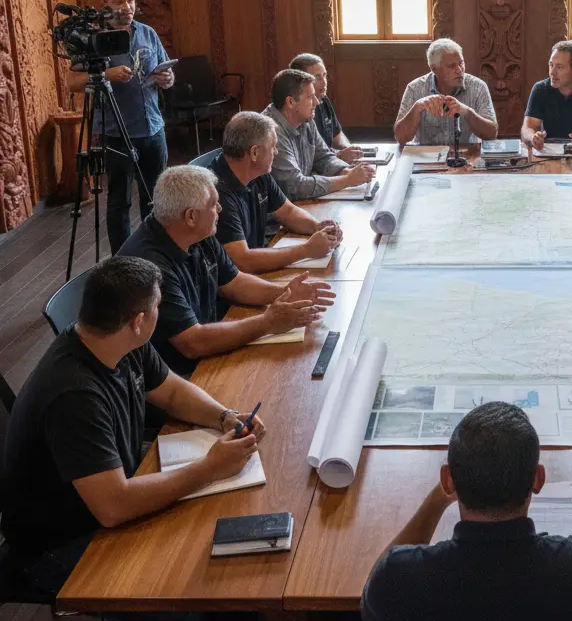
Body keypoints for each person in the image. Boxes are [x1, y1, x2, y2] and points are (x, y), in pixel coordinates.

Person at [1, 256, 267, 599]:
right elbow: (114, 506)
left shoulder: (116, 340)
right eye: (158, 305)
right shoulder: (74, 395)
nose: (162, 309)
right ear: (138, 320)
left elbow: (170, 391)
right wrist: (209, 468)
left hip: (107, 496)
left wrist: (225, 416)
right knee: (203, 587)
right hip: (61, 543)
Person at [361, 401, 572, 621]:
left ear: (448, 480)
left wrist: (434, 503)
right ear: (538, 479)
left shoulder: (397, 578)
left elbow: (371, 601)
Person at [117, 165, 335, 375]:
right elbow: (193, 343)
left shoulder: (197, 234)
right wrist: (268, 322)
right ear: (190, 216)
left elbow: (235, 282)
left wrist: (285, 293)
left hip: (207, 353)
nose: (219, 209)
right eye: (213, 204)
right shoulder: (150, 265)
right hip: (178, 375)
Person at [68, 0, 174, 253]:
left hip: (153, 128)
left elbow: (167, 70)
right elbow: (72, 82)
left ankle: (156, 254)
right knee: (119, 202)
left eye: (131, 0)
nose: (127, 7)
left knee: (156, 198)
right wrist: (107, 74)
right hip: (116, 132)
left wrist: (167, 79)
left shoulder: (147, 33)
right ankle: (123, 260)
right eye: (119, 1)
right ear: (104, 3)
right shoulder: (93, 39)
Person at [212, 111, 343, 273]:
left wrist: (317, 228)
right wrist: (306, 250)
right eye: (273, 146)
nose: (276, 152)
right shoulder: (218, 193)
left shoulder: (256, 172)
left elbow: (287, 211)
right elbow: (242, 261)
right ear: (254, 152)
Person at [264, 69, 375, 200]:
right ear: (290, 102)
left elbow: (323, 157)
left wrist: (347, 171)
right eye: (310, 97)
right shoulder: (271, 131)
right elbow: (295, 186)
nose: (317, 102)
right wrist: (347, 180)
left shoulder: (305, 119)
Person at [394, 39, 498, 146]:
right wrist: (417, 108)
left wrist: (467, 112)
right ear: (434, 69)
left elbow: (491, 134)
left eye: (461, 63)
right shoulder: (414, 89)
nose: (459, 70)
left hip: (467, 157)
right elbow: (400, 138)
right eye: (451, 66)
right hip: (427, 159)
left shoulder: (478, 87)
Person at [289, 52, 362, 164]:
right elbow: (308, 160)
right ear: (301, 82)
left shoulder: (323, 99)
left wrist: (348, 149)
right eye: (317, 77)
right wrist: (339, 156)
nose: (324, 82)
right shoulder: (298, 110)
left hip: (328, 162)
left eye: (324, 75)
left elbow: (336, 134)